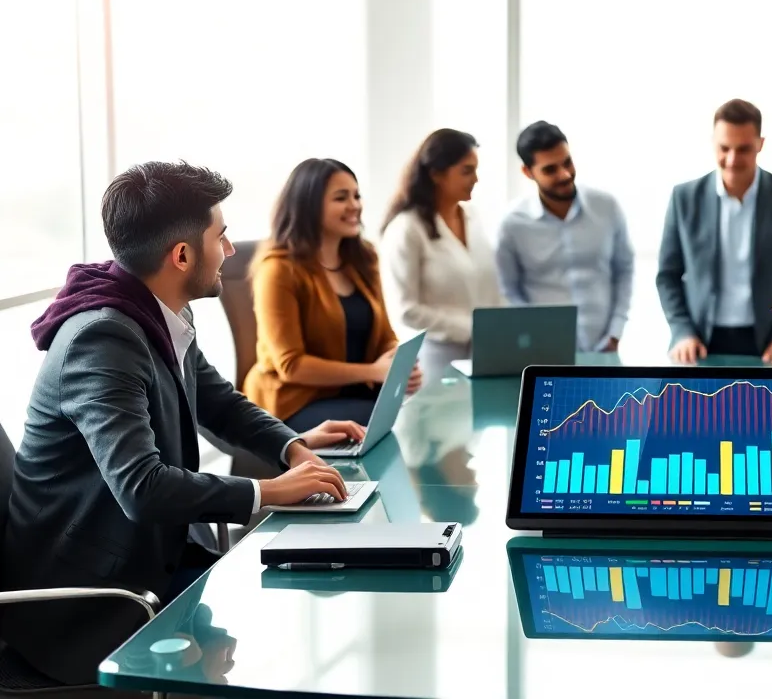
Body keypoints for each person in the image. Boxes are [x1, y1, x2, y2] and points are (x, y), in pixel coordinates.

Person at [0, 162, 359, 685]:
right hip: (94, 602)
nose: (231, 251)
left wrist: (292, 446)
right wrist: (268, 491)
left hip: (153, 555)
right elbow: (141, 488)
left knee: (310, 595)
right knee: (288, 640)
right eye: (222, 235)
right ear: (182, 255)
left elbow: (216, 401)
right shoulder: (101, 340)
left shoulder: (156, 309)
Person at [245, 158, 421, 430]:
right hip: (292, 403)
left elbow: (384, 335)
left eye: (357, 195)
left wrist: (398, 366)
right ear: (309, 207)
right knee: (398, 424)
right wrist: (373, 372)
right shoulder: (278, 269)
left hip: (353, 393)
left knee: (425, 410)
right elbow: (291, 365)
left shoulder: (364, 259)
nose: (355, 206)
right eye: (341, 198)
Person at [657, 99, 772, 365]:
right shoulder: (684, 198)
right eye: (724, 148)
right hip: (698, 342)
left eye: (744, 149)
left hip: (769, 343)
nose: (732, 160)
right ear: (713, 142)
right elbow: (667, 276)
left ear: (760, 143)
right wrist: (681, 331)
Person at [496, 121, 634, 353]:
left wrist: (615, 332)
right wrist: (532, 337)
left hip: (604, 349)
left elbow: (624, 270)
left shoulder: (607, 207)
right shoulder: (512, 224)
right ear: (528, 172)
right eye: (550, 169)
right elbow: (508, 291)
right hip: (543, 352)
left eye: (567, 162)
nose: (565, 174)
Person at [381, 129, 502, 372]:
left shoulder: (473, 218)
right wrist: (470, 328)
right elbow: (406, 310)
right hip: (434, 359)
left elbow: (489, 288)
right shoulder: (406, 229)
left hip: (487, 353)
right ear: (436, 174)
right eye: (467, 171)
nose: (476, 179)